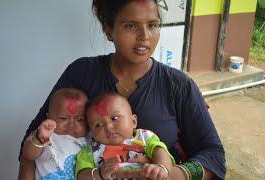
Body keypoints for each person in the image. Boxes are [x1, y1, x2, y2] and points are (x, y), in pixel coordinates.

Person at [19, 0, 226, 179]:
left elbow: (213, 154)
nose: (144, 36)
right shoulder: (81, 74)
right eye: (130, 26)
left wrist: (168, 174)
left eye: (152, 25)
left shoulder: (178, 86)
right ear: (109, 31)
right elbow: (34, 140)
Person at [76, 92, 175, 180]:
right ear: (92, 132)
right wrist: (100, 173)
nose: (108, 127)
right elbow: (81, 176)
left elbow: (160, 151)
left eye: (114, 118)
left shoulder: (144, 137)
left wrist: (161, 168)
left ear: (133, 121)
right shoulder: (89, 151)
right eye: (98, 125)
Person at [21, 88, 89, 180]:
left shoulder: (88, 140)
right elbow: (28, 155)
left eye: (80, 119)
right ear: (48, 117)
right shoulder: (46, 134)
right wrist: (40, 138)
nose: (71, 124)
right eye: (63, 118)